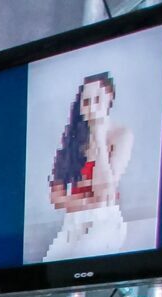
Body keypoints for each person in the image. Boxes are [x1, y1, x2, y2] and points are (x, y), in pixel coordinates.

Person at [43, 72, 132, 263]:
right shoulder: (73, 141)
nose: (91, 108)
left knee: (84, 256)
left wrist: (99, 137)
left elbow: (105, 192)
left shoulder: (121, 135)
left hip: (105, 222)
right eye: (86, 102)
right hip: (72, 224)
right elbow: (56, 197)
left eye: (97, 99)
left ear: (110, 97)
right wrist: (88, 203)